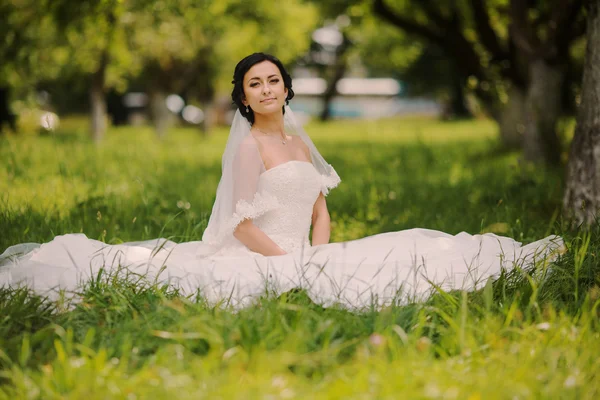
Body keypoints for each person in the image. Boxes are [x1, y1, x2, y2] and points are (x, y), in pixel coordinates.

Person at [0, 53, 564, 310]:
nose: (266, 89)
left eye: (274, 80)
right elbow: (238, 222)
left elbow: (320, 209)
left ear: (287, 90)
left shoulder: (299, 143)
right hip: (257, 253)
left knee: (413, 247)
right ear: (242, 96)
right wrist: (282, 262)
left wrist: (318, 255)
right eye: (254, 83)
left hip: (302, 249)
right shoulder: (249, 148)